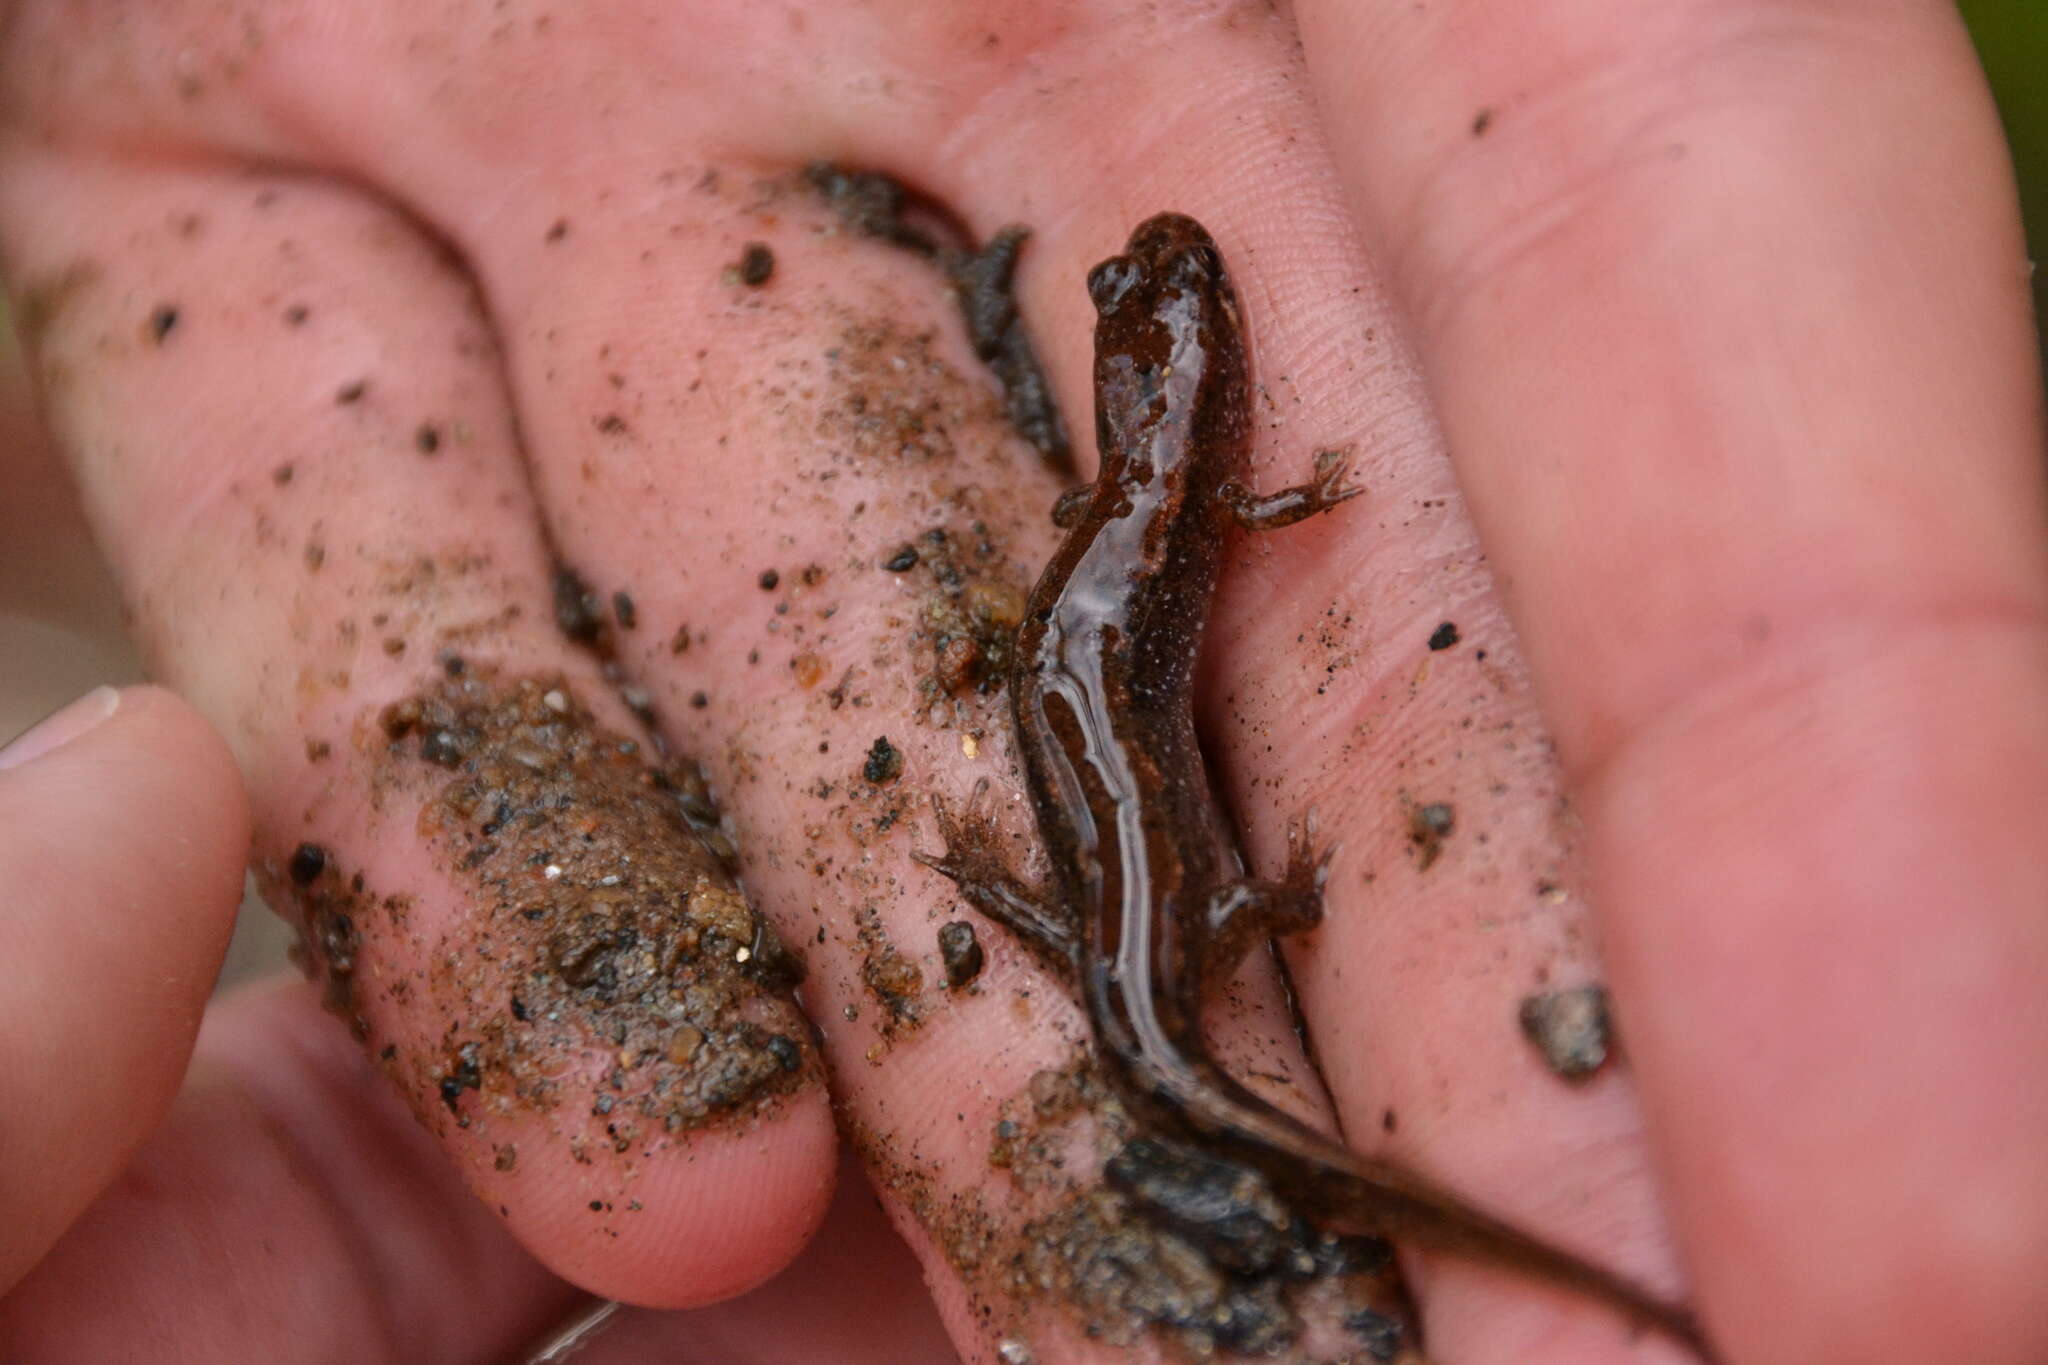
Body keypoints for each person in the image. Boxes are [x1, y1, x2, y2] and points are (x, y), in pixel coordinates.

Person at [2, 3, 2044, 1362]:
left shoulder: (1163, 497)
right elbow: (1222, 544)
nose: (1170, 316)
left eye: (1166, 318)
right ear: (1190, 398)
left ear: (1167, 392)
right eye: (1152, 316)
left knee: (1156, 950)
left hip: (1114, 857)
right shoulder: (1199, 494)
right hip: (1128, 871)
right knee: (1175, 954)